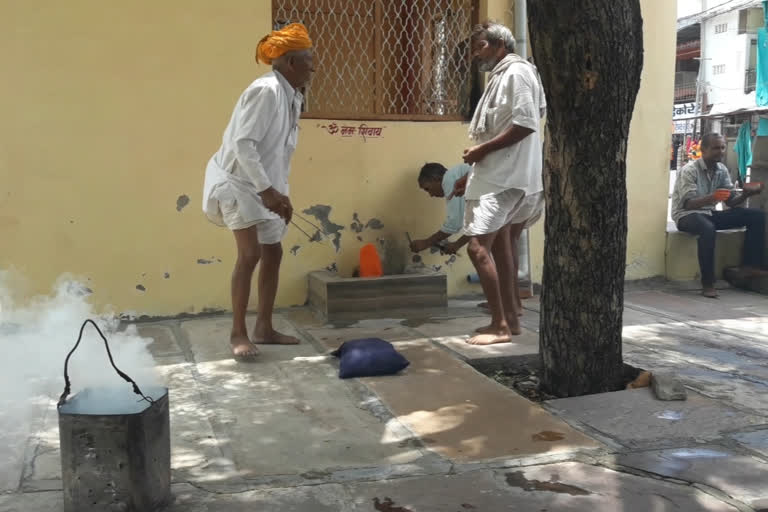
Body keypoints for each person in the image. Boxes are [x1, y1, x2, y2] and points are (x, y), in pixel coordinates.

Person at [202, 23, 315, 361]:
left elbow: (278, 152)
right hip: (237, 182)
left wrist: (281, 194)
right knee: (249, 255)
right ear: (291, 62)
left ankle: (264, 327)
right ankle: (239, 332)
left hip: (266, 185)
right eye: (310, 59)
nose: (315, 65)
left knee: (273, 253)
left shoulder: (291, 94)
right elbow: (243, 144)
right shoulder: (265, 90)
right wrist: (268, 192)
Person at [452, 21, 546, 345]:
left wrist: (482, 150)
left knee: (478, 248)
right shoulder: (505, 75)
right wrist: (476, 167)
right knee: (503, 242)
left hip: (506, 179)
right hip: (499, 174)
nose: (476, 55)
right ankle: (510, 320)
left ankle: (500, 326)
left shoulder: (517, 73)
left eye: (480, 47)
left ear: (497, 45)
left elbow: (525, 124)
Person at [671, 133, 767, 298]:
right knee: (708, 228)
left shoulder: (721, 169)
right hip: (686, 215)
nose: (721, 151)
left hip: (709, 213)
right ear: (704, 149)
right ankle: (708, 283)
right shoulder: (690, 170)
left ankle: (749, 266)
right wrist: (713, 197)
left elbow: (730, 202)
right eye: (716, 148)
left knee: (757, 216)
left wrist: (746, 194)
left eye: (722, 147)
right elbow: (688, 204)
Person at [410, 162, 471, 255]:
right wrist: (457, 244)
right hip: (499, 200)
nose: (430, 195)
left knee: (476, 250)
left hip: (498, 197)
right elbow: (481, 223)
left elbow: (455, 222)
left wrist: (426, 243)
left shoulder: (449, 178)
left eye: (427, 189)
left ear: (435, 179)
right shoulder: (457, 175)